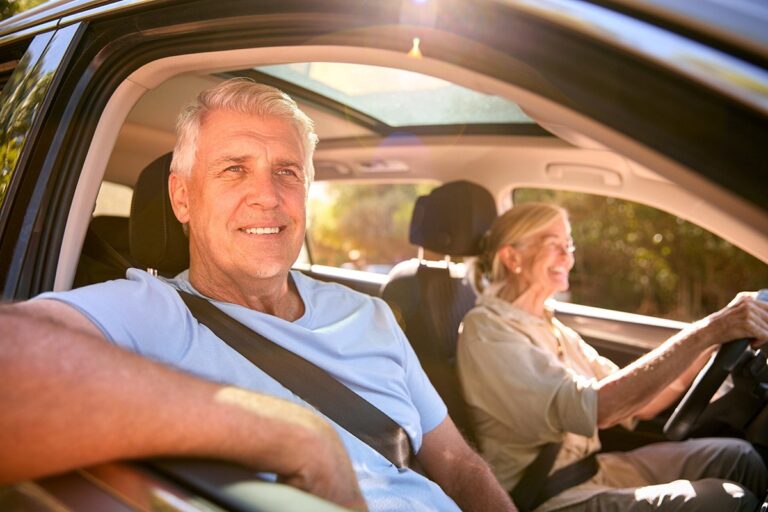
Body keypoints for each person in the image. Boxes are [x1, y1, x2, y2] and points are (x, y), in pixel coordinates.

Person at [0, 78, 516, 512]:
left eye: (287, 172)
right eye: (234, 169)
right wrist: (297, 437)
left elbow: (455, 462)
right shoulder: (148, 312)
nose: (267, 196)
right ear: (182, 198)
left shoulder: (372, 314)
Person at [456, 202, 768, 511]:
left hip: (593, 470)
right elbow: (602, 407)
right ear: (512, 257)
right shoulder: (487, 330)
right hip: (547, 496)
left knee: (741, 458)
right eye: (554, 245)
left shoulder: (551, 326)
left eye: (569, 244)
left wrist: (709, 346)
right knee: (726, 502)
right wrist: (707, 330)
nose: (568, 256)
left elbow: (639, 404)